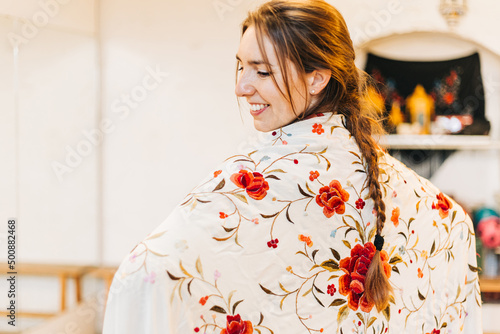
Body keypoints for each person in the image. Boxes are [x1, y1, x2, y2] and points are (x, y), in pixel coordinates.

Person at [102, 0, 482, 333]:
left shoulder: (246, 185)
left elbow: (142, 277)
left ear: (317, 77)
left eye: (262, 71)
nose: (241, 87)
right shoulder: (445, 215)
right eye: (240, 66)